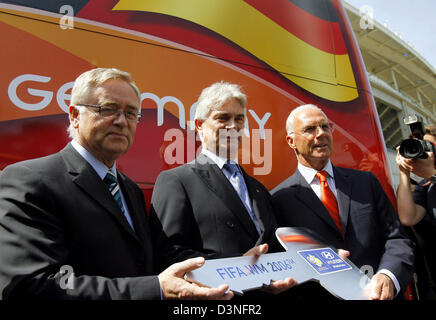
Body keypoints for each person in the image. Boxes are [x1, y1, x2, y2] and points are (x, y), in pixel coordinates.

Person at [0, 68, 232, 300]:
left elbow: (152, 266)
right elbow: (31, 286)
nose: (122, 121)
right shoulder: (30, 180)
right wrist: (154, 290)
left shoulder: (130, 190)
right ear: (74, 115)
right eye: (108, 109)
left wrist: (240, 267)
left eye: (131, 113)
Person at [150, 82, 296, 295]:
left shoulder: (259, 189)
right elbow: (169, 252)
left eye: (239, 119)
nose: (233, 126)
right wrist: (237, 270)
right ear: (199, 125)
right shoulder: (176, 180)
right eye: (222, 118)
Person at [271, 104, 414, 300]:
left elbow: (397, 239)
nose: (320, 133)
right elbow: (285, 262)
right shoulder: (279, 199)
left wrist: (388, 275)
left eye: (325, 126)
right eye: (310, 129)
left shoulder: (366, 182)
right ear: (291, 141)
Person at [396, 124, 436, 299]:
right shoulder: (425, 187)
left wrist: (431, 173)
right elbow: (408, 217)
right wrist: (404, 174)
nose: (423, 151)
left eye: (429, 147)